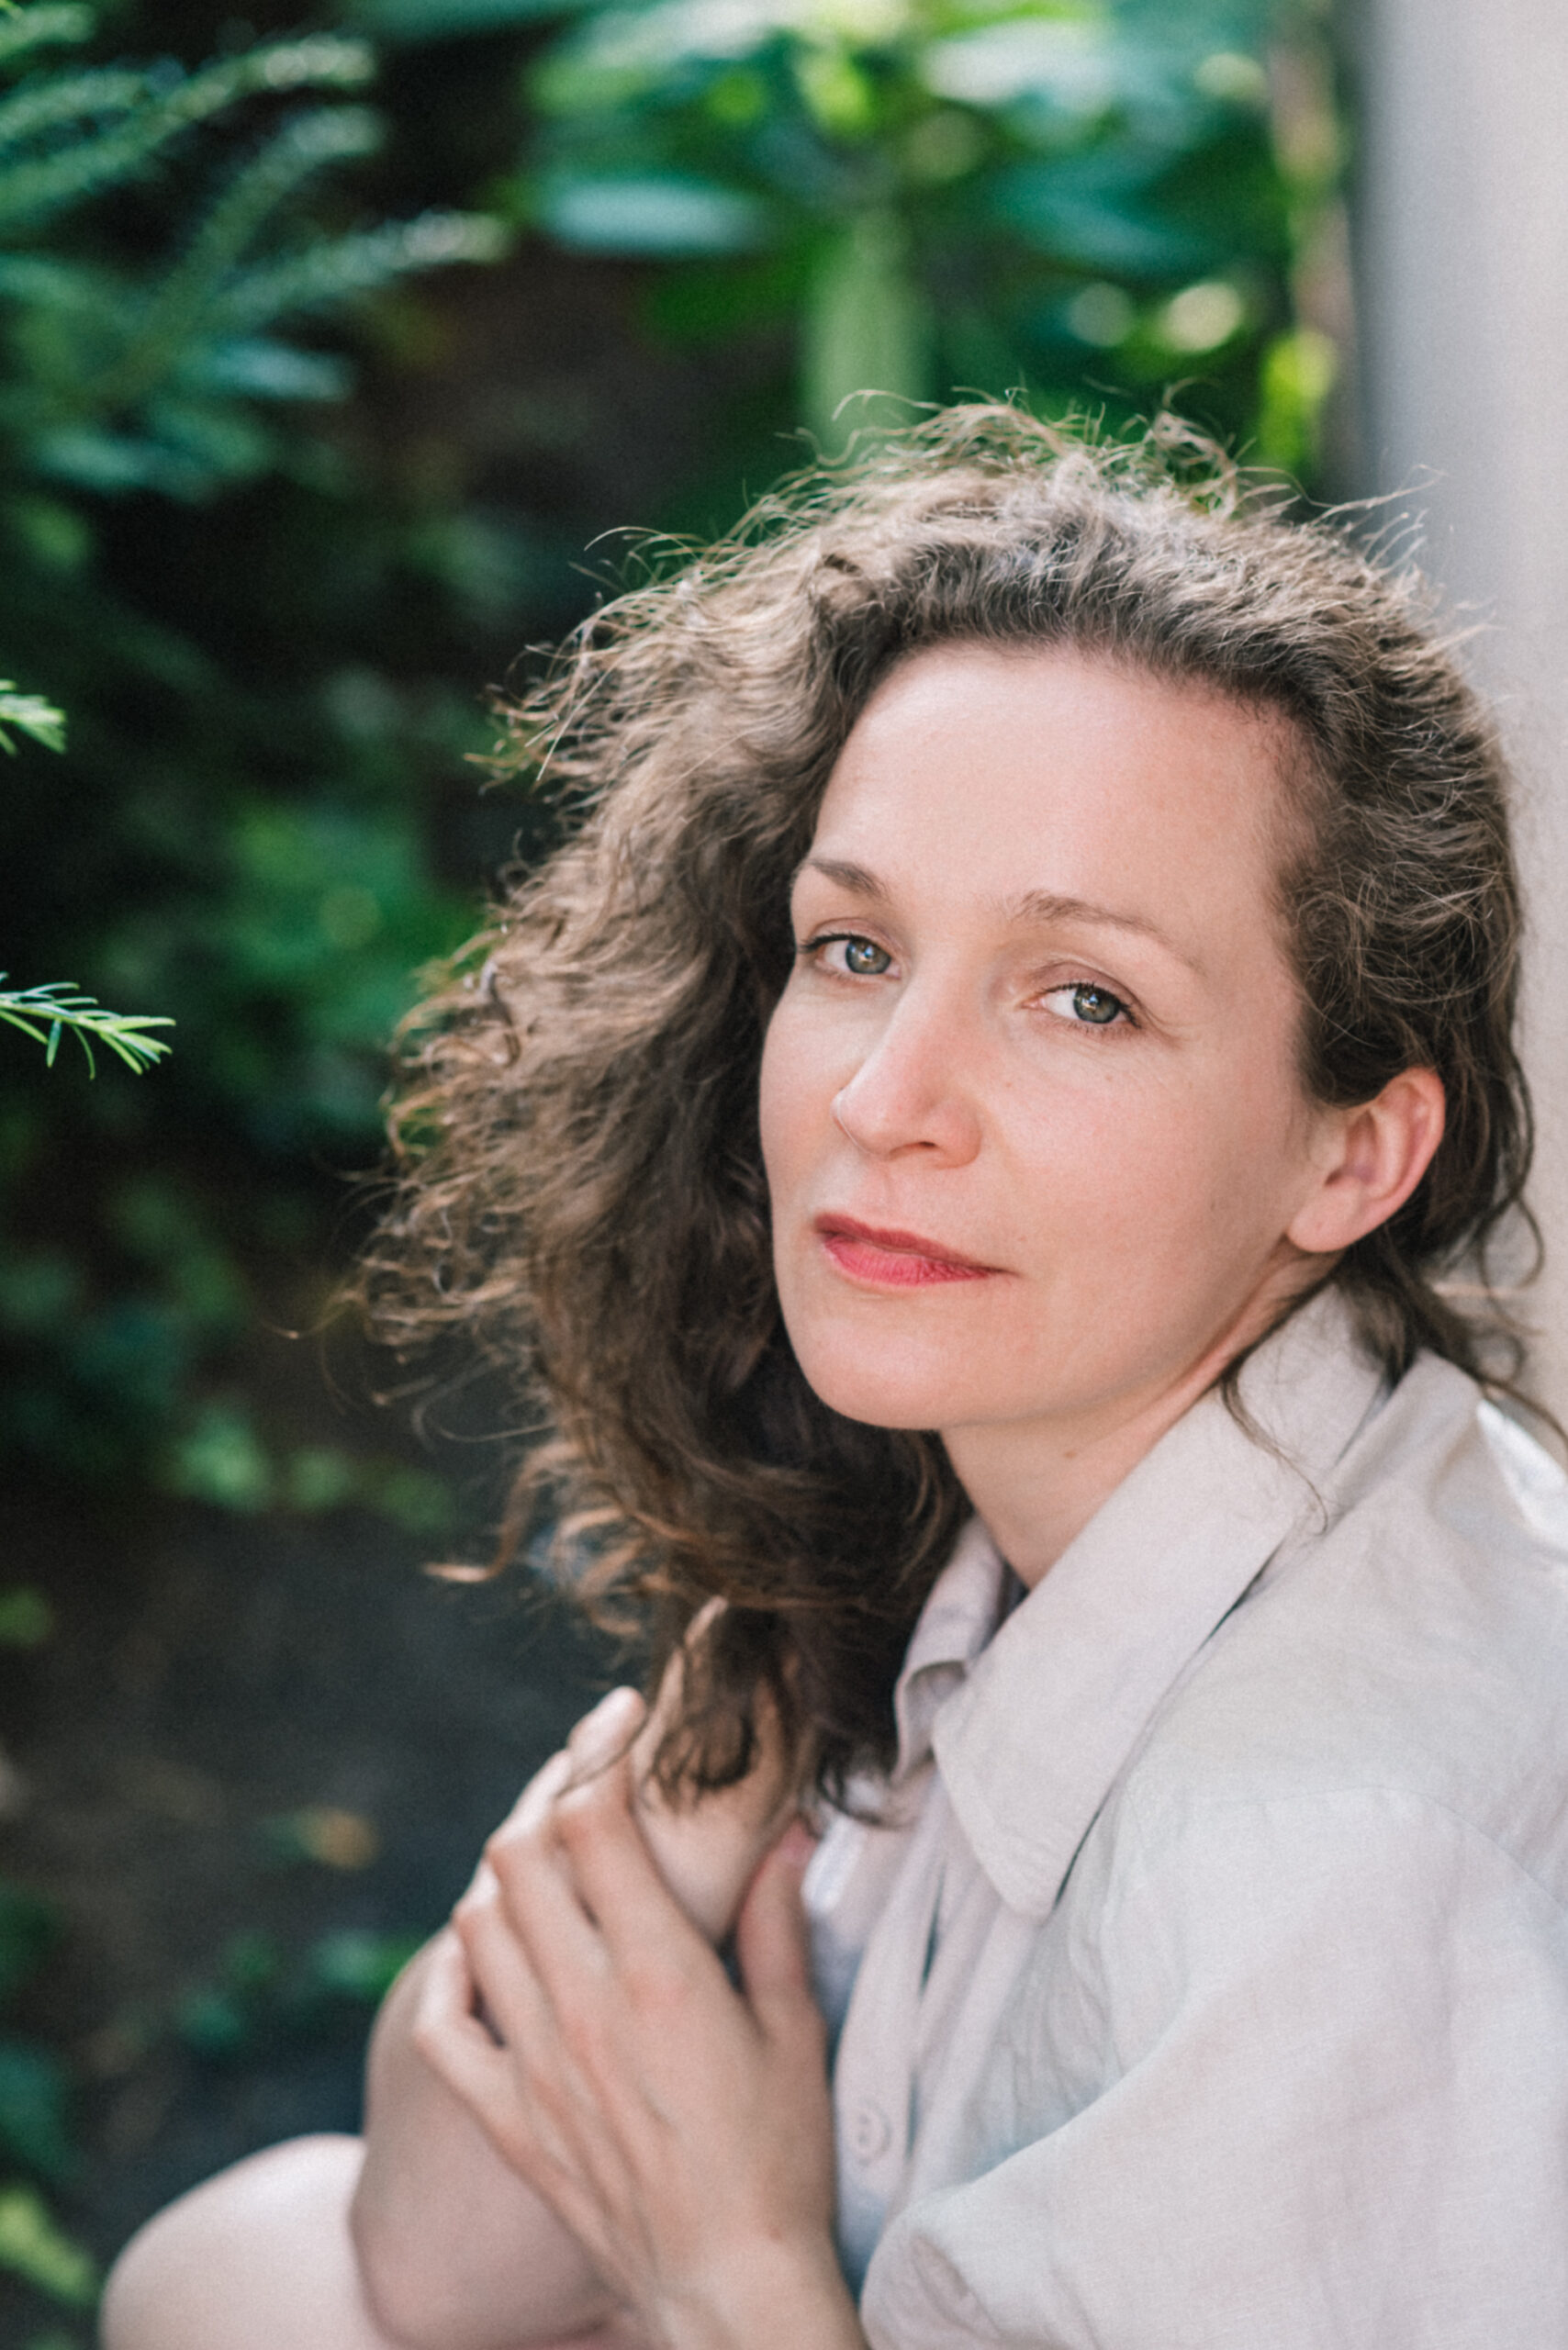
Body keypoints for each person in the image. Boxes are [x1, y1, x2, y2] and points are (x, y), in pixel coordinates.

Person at [101, 407, 1568, 2350]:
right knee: (244, 2262)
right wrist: (698, 1783)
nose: (883, 1100)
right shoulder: (1019, 1470)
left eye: (1082, 998)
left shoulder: (1325, 1864)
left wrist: (730, 2269)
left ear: (1352, 1154)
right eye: (855, 948)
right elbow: (435, 2262)